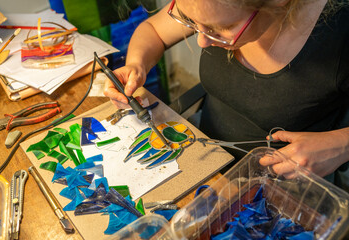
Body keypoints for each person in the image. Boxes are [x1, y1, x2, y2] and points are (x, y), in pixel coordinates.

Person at [104, 0, 349, 189]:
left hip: (281, 189)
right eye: (191, 21)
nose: (201, 41)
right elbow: (153, 30)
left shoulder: (340, 34)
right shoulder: (206, 7)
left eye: (219, 28)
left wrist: (339, 146)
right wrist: (136, 64)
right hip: (202, 159)